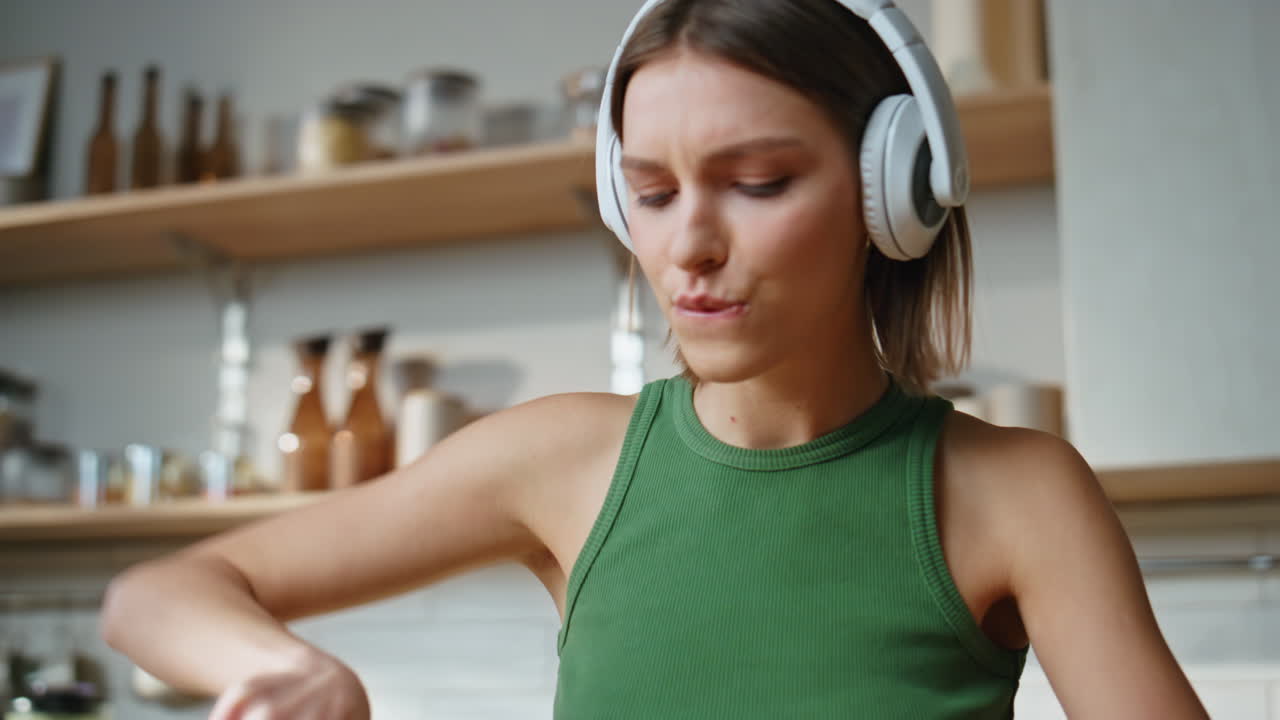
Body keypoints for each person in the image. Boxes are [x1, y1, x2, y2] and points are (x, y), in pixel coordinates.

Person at [102, 1, 1211, 718]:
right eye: (651, 191)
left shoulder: (1016, 495)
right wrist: (283, 668)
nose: (687, 246)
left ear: (894, 192)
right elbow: (163, 591)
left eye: (760, 182)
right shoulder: (558, 461)